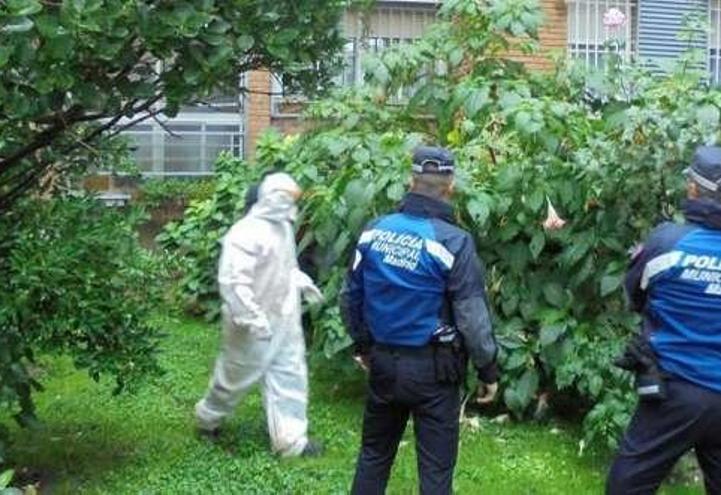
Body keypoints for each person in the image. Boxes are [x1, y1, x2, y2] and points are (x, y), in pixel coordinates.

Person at [607, 146, 721, 495]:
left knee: (626, 487)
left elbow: (635, 297)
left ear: (692, 189)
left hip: (673, 394)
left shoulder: (666, 243)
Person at [342, 146, 499, 495]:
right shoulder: (454, 241)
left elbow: (351, 296)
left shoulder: (374, 231)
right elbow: (472, 317)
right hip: (434, 374)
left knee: (374, 455)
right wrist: (488, 370)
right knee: (435, 471)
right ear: (451, 185)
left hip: (383, 363)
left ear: (410, 180)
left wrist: (364, 346)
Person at [194, 172, 324, 458]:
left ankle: (290, 441)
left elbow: (284, 266)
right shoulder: (244, 233)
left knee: (290, 376)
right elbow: (233, 282)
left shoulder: (283, 229)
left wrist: (300, 281)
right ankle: (208, 419)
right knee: (232, 379)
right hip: (249, 324)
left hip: (284, 318)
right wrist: (252, 317)